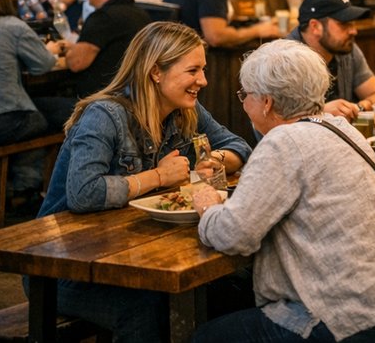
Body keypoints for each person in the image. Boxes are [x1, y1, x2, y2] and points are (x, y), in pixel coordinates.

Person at [191, 40, 375, 343]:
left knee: (206, 336)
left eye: (245, 95)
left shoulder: (281, 142)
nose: (244, 104)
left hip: (362, 322)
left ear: (267, 102)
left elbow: (233, 234)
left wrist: (208, 207)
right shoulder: (343, 127)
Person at [37, 22, 251, 343]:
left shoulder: (185, 110)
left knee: (234, 283)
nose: (203, 81)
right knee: (146, 306)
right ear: (155, 72)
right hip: (65, 269)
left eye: (203, 70)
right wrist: (159, 177)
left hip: (130, 252)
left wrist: (214, 160)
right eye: (193, 70)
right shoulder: (105, 115)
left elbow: (240, 147)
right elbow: (83, 194)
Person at [0, 0, 62, 167]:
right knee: (46, 119)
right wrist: (50, 49)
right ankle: (24, 185)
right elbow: (44, 64)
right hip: (1, 122)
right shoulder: (13, 27)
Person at [286, 0, 375, 120]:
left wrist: (359, 108)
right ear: (315, 26)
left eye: (352, 23)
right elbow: (274, 121)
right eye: (344, 24)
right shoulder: (286, 60)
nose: (353, 31)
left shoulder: (345, 48)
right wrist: (321, 113)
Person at [63, 0, 152, 98]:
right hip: (133, 100)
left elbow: (76, 63)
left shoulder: (102, 18)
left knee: (38, 104)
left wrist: (67, 50)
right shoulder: (142, 15)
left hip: (97, 105)